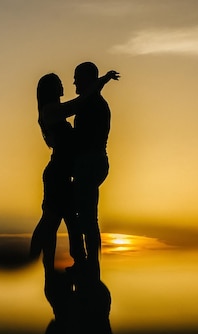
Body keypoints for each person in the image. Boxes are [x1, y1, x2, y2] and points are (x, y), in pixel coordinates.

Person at [30, 70, 119, 277]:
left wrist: (98, 84)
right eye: (60, 83)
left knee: (70, 220)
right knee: (50, 222)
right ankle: (36, 262)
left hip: (64, 173)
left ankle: (75, 263)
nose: (66, 84)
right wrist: (101, 82)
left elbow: (81, 105)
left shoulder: (56, 109)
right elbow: (78, 104)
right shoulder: (51, 110)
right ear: (52, 89)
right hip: (57, 174)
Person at [70, 62, 114, 282]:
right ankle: (88, 264)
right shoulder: (93, 100)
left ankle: (89, 267)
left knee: (86, 218)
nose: (74, 82)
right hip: (94, 163)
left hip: (91, 163)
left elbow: (84, 139)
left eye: (77, 77)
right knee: (86, 217)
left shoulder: (92, 104)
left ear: (87, 79)